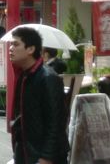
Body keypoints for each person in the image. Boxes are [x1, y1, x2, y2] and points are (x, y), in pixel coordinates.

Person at [9, 26, 69, 164]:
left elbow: (56, 122)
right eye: (11, 44)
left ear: (31, 49)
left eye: (16, 44)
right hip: (25, 152)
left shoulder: (48, 78)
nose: (10, 48)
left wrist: (46, 158)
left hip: (43, 156)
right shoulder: (24, 75)